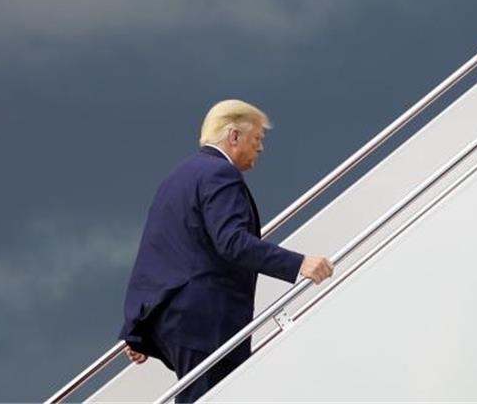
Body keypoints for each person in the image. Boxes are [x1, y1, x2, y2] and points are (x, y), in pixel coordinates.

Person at [117, 99, 334, 402]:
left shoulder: (178, 178)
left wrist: (139, 326)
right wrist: (299, 264)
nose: (261, 148)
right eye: (257, 138)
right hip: (206, 320)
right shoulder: (220, 173)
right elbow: (231, 242)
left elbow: (158, 251)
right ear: (233, 136)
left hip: (178, 318)